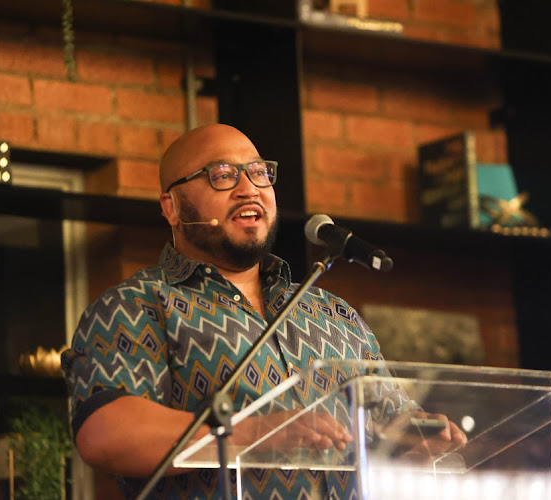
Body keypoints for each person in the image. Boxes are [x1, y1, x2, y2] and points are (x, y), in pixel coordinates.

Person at [61, 124, 466, 499]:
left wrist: (418, 447)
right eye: (222, 175)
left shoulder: (334, 315)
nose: (248, 189)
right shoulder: (138, 305)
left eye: (259, 173)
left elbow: (393, 430)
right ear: (172, 207)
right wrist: (254, 432)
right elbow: (104, 433)